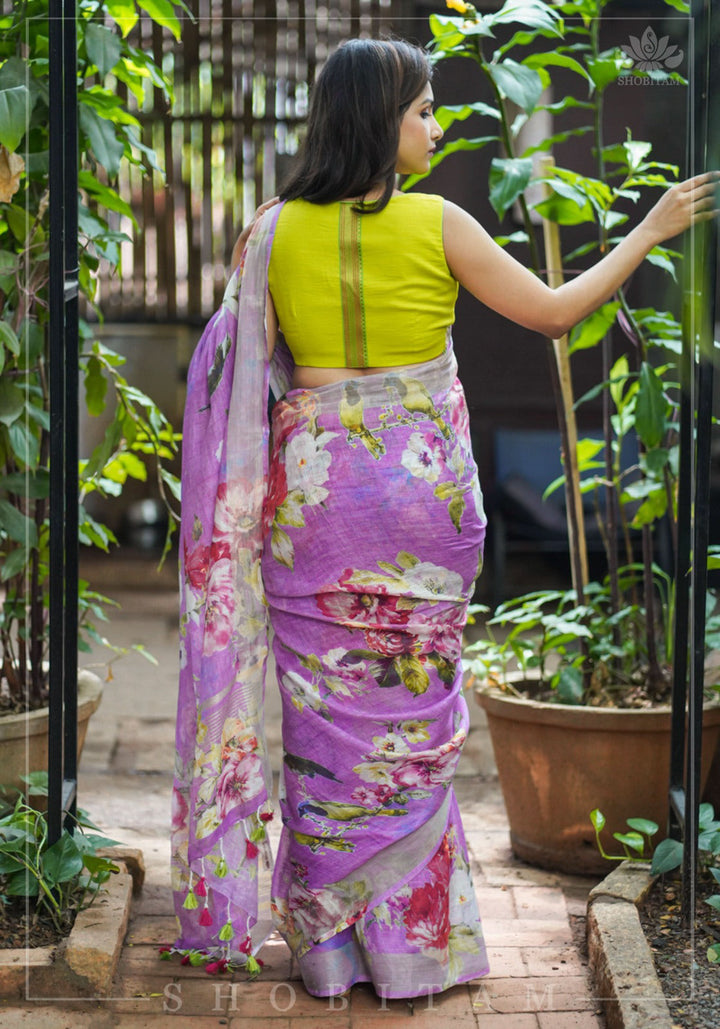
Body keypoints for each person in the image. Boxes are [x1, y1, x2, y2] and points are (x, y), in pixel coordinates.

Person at [170, 37, 717, 1000]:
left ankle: (333, 954)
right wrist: (649, 228)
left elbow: (236, 376)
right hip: (421, 504)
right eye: (422, 110)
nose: (434, 125)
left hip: (315, 506)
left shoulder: (270, 233)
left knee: (323, 723)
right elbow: (554, 312)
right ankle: (413, 949)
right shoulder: (440, 224)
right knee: (408, 716)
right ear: (378, 120)